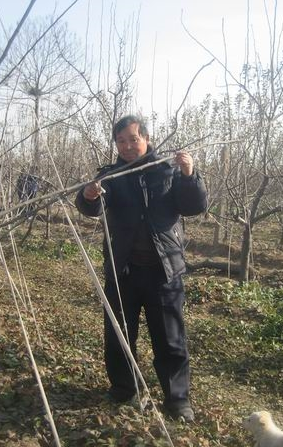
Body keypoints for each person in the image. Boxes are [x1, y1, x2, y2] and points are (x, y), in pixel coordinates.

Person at [75, 115, 207, 422]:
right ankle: (124, 389)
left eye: (133, 139)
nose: (127, 146)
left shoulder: (167, 169)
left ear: (146, 138)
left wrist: (189, 175)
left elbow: (194, 206)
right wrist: (88, 195)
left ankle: (177, 400)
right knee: (120, 333)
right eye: (121, 141)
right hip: (124, 271)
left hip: (164, 271)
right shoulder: (111, 175)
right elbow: (90, 208)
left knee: (170, 339)